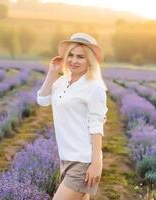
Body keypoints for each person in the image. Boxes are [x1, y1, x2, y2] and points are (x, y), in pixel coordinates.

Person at [36, 32, 108, 200]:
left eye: (81, 57)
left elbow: (96, 126)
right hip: (66, 157)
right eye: (71, 55)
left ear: (89, 60)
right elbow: (43, 100)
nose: (74, 61)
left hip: (83, 160)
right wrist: (53, 72)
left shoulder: (94, 87)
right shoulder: (63, 81)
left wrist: (96, 163)